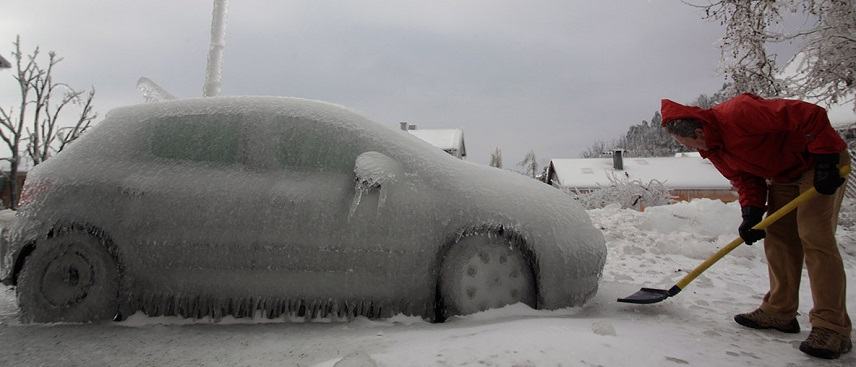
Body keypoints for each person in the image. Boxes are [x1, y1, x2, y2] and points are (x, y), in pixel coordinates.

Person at [661, 93, 852, 360]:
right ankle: (779, 311)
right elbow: (744, 178)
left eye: (690, 143)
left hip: (819, 162)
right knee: (779, 237)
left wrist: (826, 158)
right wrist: (751, 213)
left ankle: (831, 327)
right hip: (784, 175)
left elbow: (810, 114)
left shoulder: (739, 112)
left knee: (813, 234)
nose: (695, 150)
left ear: (699, 131)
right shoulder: (714, 150)